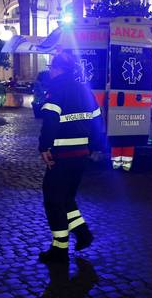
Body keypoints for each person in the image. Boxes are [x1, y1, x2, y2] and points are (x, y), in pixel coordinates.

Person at [37, 51, 104, 263]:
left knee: (52, 198)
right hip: (81, 155)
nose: (50, 71)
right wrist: (94, 145)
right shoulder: (84, 90)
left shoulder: (56, 88)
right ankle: (82, 233)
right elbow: (96, 119)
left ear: (57, 69)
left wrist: (44, 146)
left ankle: (60, 248)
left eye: (51, 68)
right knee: (66, 198)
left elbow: (50, 121)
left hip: (62, 154)